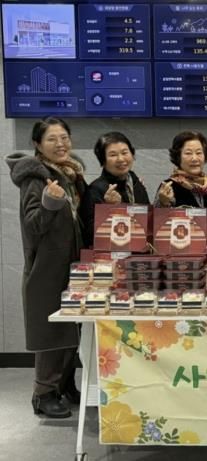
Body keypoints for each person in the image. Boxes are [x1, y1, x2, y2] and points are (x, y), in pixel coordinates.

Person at [6, 117, 86, 418]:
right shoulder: (35, 178)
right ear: (37, 144)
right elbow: (32, 225)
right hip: (47, 269)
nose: (60, 144)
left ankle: (64, 385)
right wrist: (50, 203)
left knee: (71, 329)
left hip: (70, 265)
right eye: (52, 139)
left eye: (64, 137)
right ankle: (43, 394)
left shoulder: (70, 174)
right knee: (51, 333)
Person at [81, 131, 150, 246]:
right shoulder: (95, 190)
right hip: (111, 254)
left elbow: (147, 221)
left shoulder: (136, 183)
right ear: (103, 161)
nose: (121, 159)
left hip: (139, 252)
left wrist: (163, 203)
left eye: (125, 152)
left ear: (132, 154)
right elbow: (89, 235)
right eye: (113, 155)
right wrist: (109, 209)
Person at [156, 130, 207, 208]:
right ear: (178, 157)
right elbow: (157, 215)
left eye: (199, 153)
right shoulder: (168, 187)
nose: (194, 158)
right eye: (188, 153)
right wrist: (164, 203)